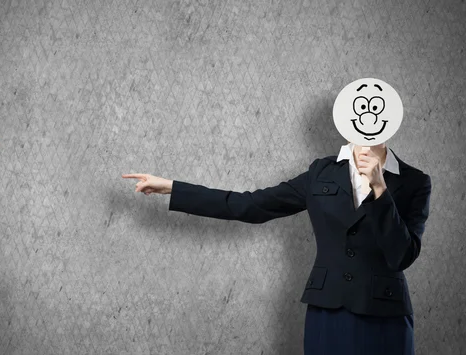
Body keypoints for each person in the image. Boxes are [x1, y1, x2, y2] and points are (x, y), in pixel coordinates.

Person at [122, 141, 432, 355]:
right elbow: (249, 205)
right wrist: (174, 187)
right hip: (329, 311)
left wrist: (379, 189)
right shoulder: (320, 173)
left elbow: (402, 254)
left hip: (384, 314)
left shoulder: (416, 181)